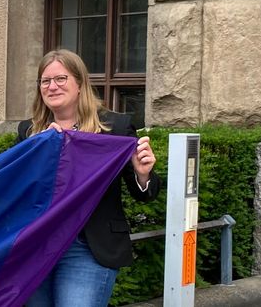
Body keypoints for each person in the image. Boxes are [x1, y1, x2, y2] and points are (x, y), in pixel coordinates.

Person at [18, 49, 159, 307]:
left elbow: (144, 193)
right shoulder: (29, 130)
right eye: (45, 81)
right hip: (38, 246)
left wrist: (143, 174)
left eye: (61, 79)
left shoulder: (114, 127)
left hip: (87, 247)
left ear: (80, 84)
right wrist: (42, 150)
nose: (52, 86)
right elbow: (20, 190)